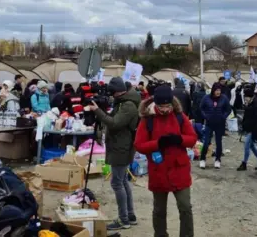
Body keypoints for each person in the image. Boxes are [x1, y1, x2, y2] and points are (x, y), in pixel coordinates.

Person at [134, 84, 197, 237]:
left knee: (185, 207)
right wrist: (157, 143)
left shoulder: (179, 117)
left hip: (179, 169)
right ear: (156, 104)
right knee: (159, 210)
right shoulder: (147, 119)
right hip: (159, 170)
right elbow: (139, 145)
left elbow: (193, 138)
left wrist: (179, 139)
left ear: (172, 103)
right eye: (161, 106)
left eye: (168, 106)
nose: (165, 109)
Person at [88, 77, 140, 230]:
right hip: (120, 146)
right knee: (123, 181)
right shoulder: (124, 102)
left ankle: (123, 219)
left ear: (116, 92)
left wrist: (97, 110)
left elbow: (115, 123)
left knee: (117, 183)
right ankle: (130, 216)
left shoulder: (128, 105)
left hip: (121, 148)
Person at [199, 83, 231, 169]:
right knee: (206, 142)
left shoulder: (224, 98)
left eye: (219, 90)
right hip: (209, 123)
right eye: (216, 90)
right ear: (213, 90)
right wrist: (205, 116)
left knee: (218, 143)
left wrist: (223, 117)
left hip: (220, 124)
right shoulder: (206, 98)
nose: (218, 92)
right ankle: (202, 159)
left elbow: (228, 109)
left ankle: (217, 160)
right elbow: (201, 108)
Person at [237, 88, 257, 171]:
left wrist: (247, 108)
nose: (245, 98)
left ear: (250, 96)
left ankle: (244, 163)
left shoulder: (255, 104)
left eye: (246, 97)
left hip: (253, 129)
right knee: (252, 146)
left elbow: (255, 117)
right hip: (248, 128)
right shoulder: (250, 103)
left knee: (247, 145)